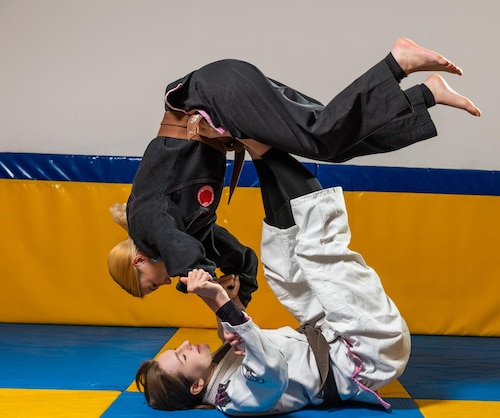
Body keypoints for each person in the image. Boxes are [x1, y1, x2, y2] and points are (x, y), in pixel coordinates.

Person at [108, 36, 480, 304]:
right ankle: (428, 94)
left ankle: (396, 63)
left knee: (321, 137)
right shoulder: (190, 230)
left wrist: (213, 298)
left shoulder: (145, 223)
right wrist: (238, 288)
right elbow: (240, 258)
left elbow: (182, 254)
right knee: (339, 139)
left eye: (150, 284)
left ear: (139, 261)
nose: (161, 284)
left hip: (216, 94)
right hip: (227, 105)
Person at [134, 142, 412, 414]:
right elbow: (271, 369)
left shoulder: (216, 367)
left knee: (283, 269)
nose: (184, 345)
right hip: (367, 353)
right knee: (318, 252)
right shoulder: (236, 400)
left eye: (176, 347)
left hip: (330, 336)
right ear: (197, 386)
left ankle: (258, 151)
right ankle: (268, 151)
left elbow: (236, 335)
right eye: (182, 356)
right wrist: (220, 300)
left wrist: (228, 298)